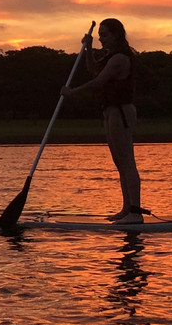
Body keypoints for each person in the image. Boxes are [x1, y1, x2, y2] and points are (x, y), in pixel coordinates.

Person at [61, 19, 146, 224]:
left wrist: (73, 92)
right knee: (119, 163)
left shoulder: (119, 58)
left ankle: (135, 211)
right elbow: (93, 71)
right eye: (100, 34)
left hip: (121, 111)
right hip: (109, 111)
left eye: (105, 34)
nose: (101, 37)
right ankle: (126, 209)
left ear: (116, 35)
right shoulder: (108, 57)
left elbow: (98, 82)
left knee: (126, 162)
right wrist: (88, 48)